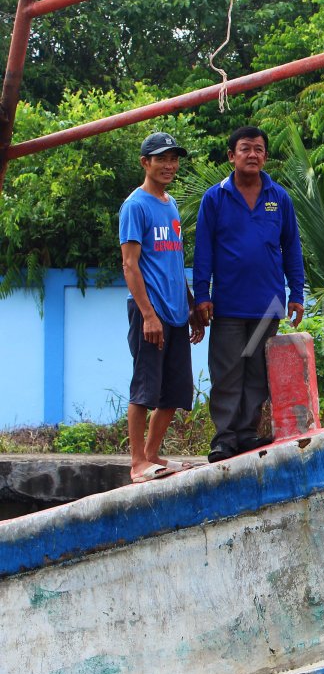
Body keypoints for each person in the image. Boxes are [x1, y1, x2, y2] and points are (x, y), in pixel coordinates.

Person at [193, 126, 305, 462]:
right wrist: (202, 295)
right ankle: (224, 439)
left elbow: (291, 248)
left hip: (268, 306)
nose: (252, 154)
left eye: (258, 149)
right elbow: (203, 252)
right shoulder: (215, 198)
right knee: (228, 373)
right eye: (245, 149)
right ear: (231, 156)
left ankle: (246, 435)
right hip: (227, 306)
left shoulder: (279, 198)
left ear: (265, 156)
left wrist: (296, 292)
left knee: (256, 373)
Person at [119, 132, 205, 483]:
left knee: (175, 390)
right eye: (162, 159)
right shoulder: (135, 206)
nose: (170, 165)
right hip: (149, 312)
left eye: (174, 158)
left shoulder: (170, 205)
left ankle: (154, 454)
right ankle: (137, 462)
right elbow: (130, 265)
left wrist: (191, 308)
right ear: (145, 163)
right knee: (145, 388)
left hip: (175, 312)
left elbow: (173, 263)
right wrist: (148, 315)